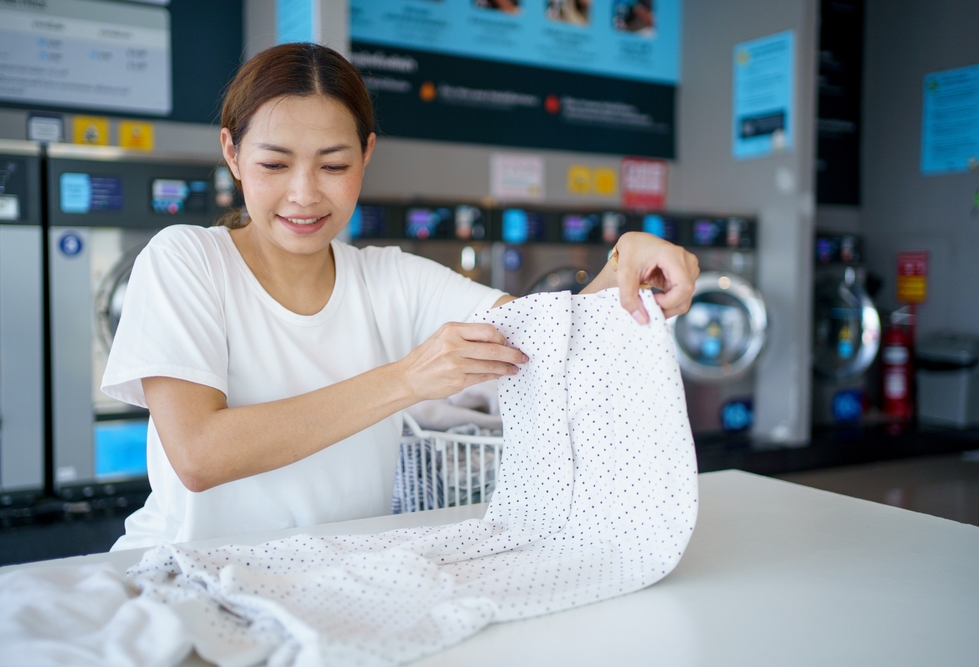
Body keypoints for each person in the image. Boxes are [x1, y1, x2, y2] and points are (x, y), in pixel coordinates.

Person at [101, 43, 699, 550]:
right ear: (232, 153)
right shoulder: (187, 259)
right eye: (274, 164)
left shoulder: (391, 279)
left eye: (333, 166)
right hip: (186, 574)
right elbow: (201, 455)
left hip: (341, 574)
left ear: (366, 154)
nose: (304, 194)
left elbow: (546, 341)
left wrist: (625, 265)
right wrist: (406, 381)